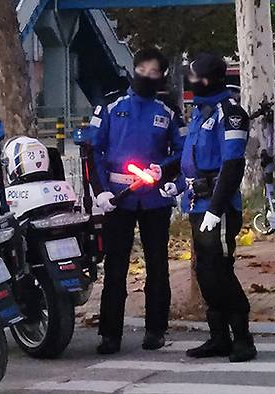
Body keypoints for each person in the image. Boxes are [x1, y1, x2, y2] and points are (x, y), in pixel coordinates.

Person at [88, 48, 186, 354]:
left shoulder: (168, 110)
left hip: (154, 199)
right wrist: (99, 191)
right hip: (118, 200)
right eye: (141, 69)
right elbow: (93, 150)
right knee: (115, 267)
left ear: (162, 76)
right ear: (133, 69)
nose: (146, 75)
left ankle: (156, 330)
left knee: (158, 266)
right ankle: (110, 334)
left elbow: (184, 151)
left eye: (153, 71)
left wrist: (165, 169)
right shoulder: (110, 104)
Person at [179, 53, 256, 363]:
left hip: (218, 206)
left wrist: (217, 208)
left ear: (209, 79)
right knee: (205, 272)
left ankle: (243, 338)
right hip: (198, 202)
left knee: (219, 271)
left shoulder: (231, 113)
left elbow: (233, 165)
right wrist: (176, 182)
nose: (190, 81)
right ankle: (218, 337)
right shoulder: (199, 112)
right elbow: (193, 158)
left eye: (194, 76)